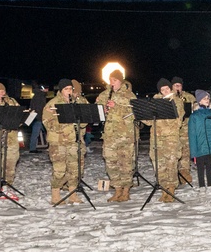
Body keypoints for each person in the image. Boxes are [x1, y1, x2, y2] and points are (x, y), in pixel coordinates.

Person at [43, 79, 90, 205]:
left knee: (75, 169)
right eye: (66, 89)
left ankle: (72, 194)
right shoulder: (52, 104)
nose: (69, 91)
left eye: (71, 89)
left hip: (74, 141)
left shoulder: (76, 103)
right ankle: (55, 195)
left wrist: (80, 117)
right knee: (59, 170)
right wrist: (65, 123)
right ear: (61, 90)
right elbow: (47, 123)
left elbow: (85, 122)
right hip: (59, 142)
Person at [142, 78, 185, 203]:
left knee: (171, 164)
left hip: (171, 139)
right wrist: (142, 114)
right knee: (158, 165)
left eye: (167, 88)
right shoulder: (155, 102)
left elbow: (178, 122)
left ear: (170, 88)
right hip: (156, 139)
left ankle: (170, 189)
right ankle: (163, 189)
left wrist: (163, 111)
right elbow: (149, 122)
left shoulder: (177, 101)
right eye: (162, 90)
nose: (165, 91)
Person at [98, 70, 137, 202]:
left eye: (114, 80)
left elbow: (135, 112)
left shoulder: (129, 95)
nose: (111, 83)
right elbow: (97, 111)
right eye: (110, 80)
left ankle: (126, 191)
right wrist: (102, 110)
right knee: (111, 163)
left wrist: (117, 107)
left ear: (121, 81)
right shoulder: (105, 94)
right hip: (109, 135)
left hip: (125, 134)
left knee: (125, 163)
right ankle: (117, 189)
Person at [188, 90, 211, 188]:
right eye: (204, 98)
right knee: (200, 168)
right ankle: (202, 185)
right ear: (199, 101)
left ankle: (210, 184)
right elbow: (192, 134)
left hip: (210, 146)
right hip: (199, 147)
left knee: (209, 166)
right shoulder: (194, 116)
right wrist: (193, 152)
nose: (207, 100)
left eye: (208, 98)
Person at [171, 77, 197, 186]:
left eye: (179, 85)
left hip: (185, 129)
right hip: (172, 131)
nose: (177, 87)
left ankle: (184, 173)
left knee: (185, 153)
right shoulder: (168, 97)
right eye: (175, 85)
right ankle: (173, 175)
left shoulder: (189, 97)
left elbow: (196, 111)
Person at [0, 83, 21, 191]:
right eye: (0, 91)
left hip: (11, 138)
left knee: (11, 162)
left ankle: (8, 185)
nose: (3, 93)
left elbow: (19, 116)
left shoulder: (12, 102)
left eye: (3, 91)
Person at [28, 84, 48, 153]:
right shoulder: (40, 96)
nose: (47, 90)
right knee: (39, 132)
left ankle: (32, 148)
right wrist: (42, 116)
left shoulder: (36, 95)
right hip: (39, 117)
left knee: (35, 133)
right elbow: (40, 108)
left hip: (35, 116)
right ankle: (32, 148)